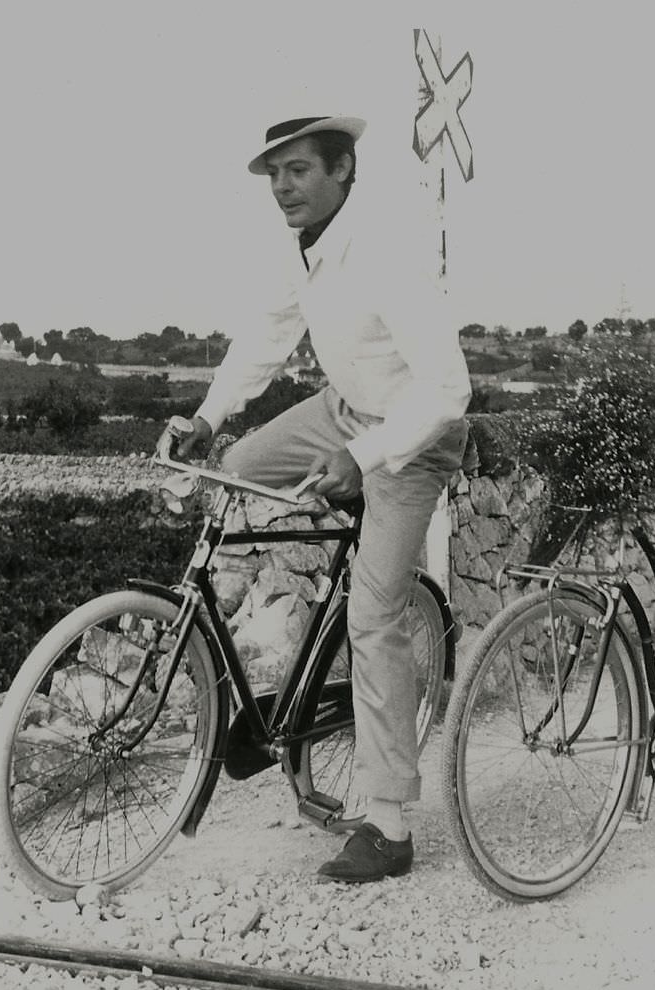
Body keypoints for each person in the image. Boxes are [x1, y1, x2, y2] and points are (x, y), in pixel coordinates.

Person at [172, 114, 471, 882]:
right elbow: (266, 339)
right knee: (238, 466)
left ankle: (389, 824)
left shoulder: (387, 251)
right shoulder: (300, 251)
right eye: (274, 174)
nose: (282, 188)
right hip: (344, 408)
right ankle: (302, 663)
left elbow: (448, 388)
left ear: (343, 172)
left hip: (411, 437)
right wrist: (206, 419)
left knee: (375, 617)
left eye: (298, 170)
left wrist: (365, 456)